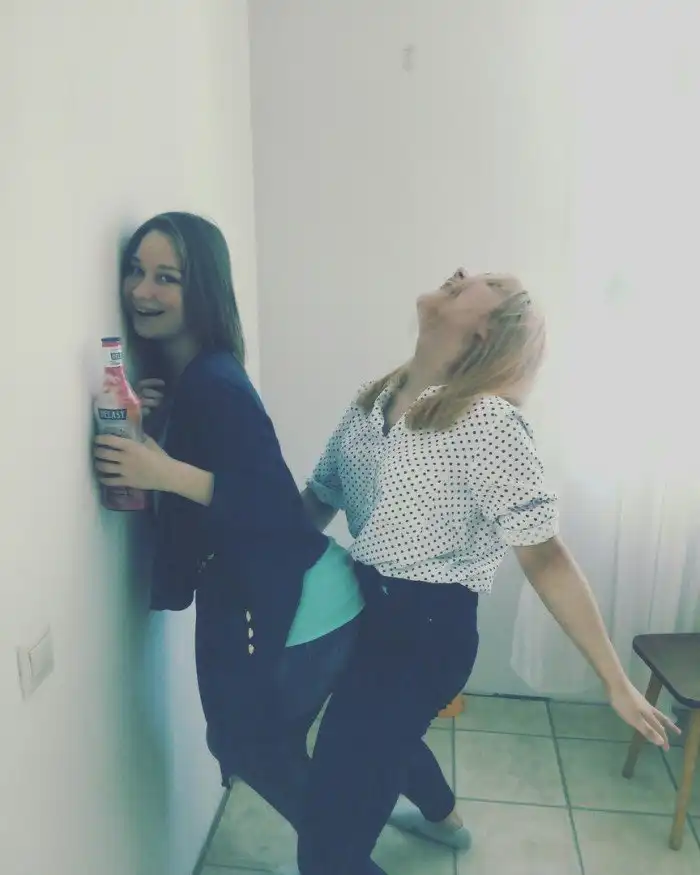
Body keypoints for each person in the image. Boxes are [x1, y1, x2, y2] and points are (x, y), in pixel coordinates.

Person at [288, 270, 680, 875]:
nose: (460, 274)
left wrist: (615, 681)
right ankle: (444, 821)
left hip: (426, 632)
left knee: (331, 827)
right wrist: (243, 544)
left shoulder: (486, 423)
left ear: (485, 332)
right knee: (381, 736)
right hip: (366, 608)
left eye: (480, 282)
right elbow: (319, 498)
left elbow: (545, 557)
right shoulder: (374, 397)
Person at [92, 212, 366, 839]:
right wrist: (157, 422)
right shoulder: (195, 377)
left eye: (167, 277)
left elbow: (271, 504)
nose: (141, 291)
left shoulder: (214, 380)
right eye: (135, 270)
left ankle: (344, 856)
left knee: (251, 746)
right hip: (308, 590)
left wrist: (162, 470)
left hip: (305, 604)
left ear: (203, 289)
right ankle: (400, 827)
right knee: (293, 741)